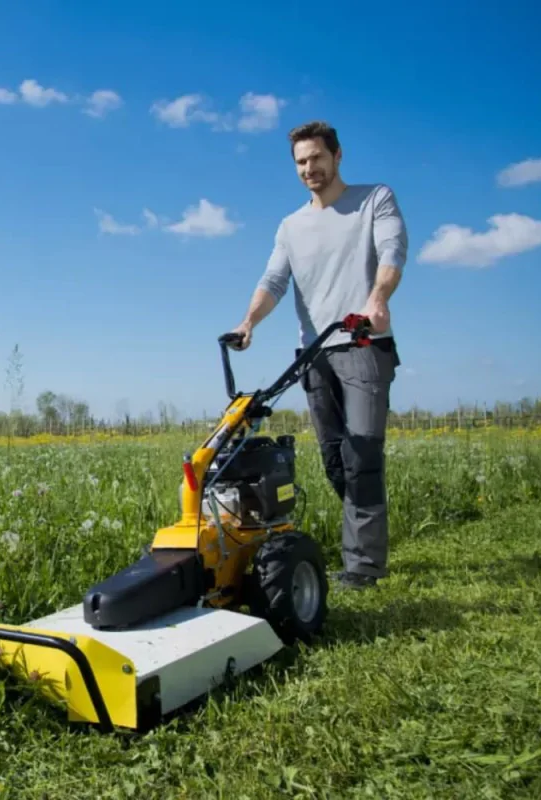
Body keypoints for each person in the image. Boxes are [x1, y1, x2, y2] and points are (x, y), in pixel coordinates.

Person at [229, 120, 408, 590]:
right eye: (301, 162)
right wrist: (248, 321)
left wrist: (378, 298)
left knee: (362, 452)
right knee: (334, 459)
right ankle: (364, 543)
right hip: (314, 355)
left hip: (364, 344)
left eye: (316, 158)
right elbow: (273, 281)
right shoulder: (291, 226)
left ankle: (364, 566)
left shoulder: (373, 199)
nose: (309, 168)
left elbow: (392, 249)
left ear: (337, 155)